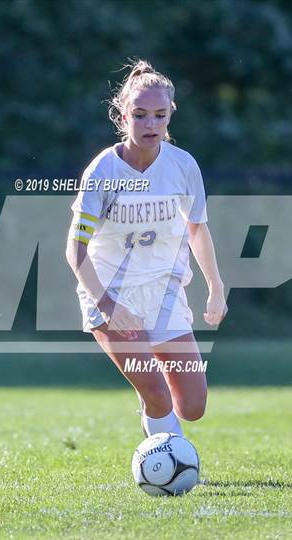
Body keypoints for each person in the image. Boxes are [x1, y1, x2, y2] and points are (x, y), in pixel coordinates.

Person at [66, 59, 227, 438]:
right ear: (123, 117)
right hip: (110, 293)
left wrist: (216, 288)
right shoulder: (103, 171)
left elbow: (197, 229)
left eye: (159, 115)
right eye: (140, 115)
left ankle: (154, 408)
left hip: (163, 294)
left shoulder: (182, 166)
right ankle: (166, 456)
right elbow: (75, 249)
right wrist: (107, 304)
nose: (150, 124)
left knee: (193, 406)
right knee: (157, 395)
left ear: (171, 115)